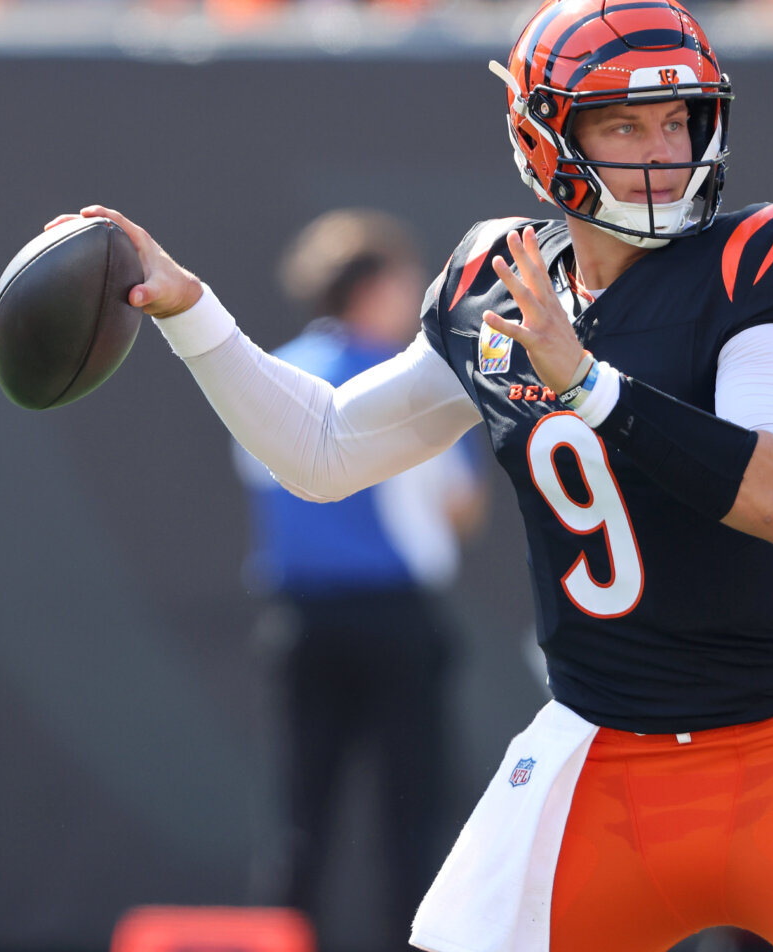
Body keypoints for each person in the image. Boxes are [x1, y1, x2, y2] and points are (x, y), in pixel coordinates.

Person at [49, 0, 773, 947]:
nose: (665, 150)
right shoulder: (496, 282)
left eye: (680, 118)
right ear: (545, 134)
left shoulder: (758, 257)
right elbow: (322, 452)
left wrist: (591, 387)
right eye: (624, 123)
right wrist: (191, 312)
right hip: (603, 752)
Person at [239, 208, 483, 944]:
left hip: (302, 625)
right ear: (370, 288)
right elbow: (461, 510)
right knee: (411, 815)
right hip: (393, 626)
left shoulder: (272, 374)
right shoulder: (403, 383)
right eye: (405, 281)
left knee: (302, 816)